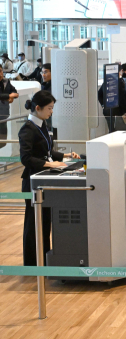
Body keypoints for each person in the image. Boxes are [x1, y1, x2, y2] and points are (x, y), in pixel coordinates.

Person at [19, 90, 81, 266]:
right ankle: (32, 263)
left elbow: (46, 151)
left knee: (45, 220)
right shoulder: (27, 129)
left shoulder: (42, 124)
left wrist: (64, 156)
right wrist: (50, 164)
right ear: (37, 108)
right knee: (34, 222)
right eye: (49, 108)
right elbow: (26, 158)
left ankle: (44, 259)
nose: (51, 111)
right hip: (33, 180)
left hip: (44, 178)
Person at [98, 64, 126, 133]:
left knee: (111, 129)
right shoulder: (120, 82)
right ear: (119, 72)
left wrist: (103, 105)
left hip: (107, 110)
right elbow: (122, 98)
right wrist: (125, 111)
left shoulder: (107, 82)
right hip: (117, 110)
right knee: (119, 130)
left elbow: (99, 94)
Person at [0, 67, 19, 149]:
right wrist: (8, 96)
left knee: (3, 141)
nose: (0, 74)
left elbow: (15, 92)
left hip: (4, 114)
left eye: (0, 71)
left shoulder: (6, 81)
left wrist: (12, 97)